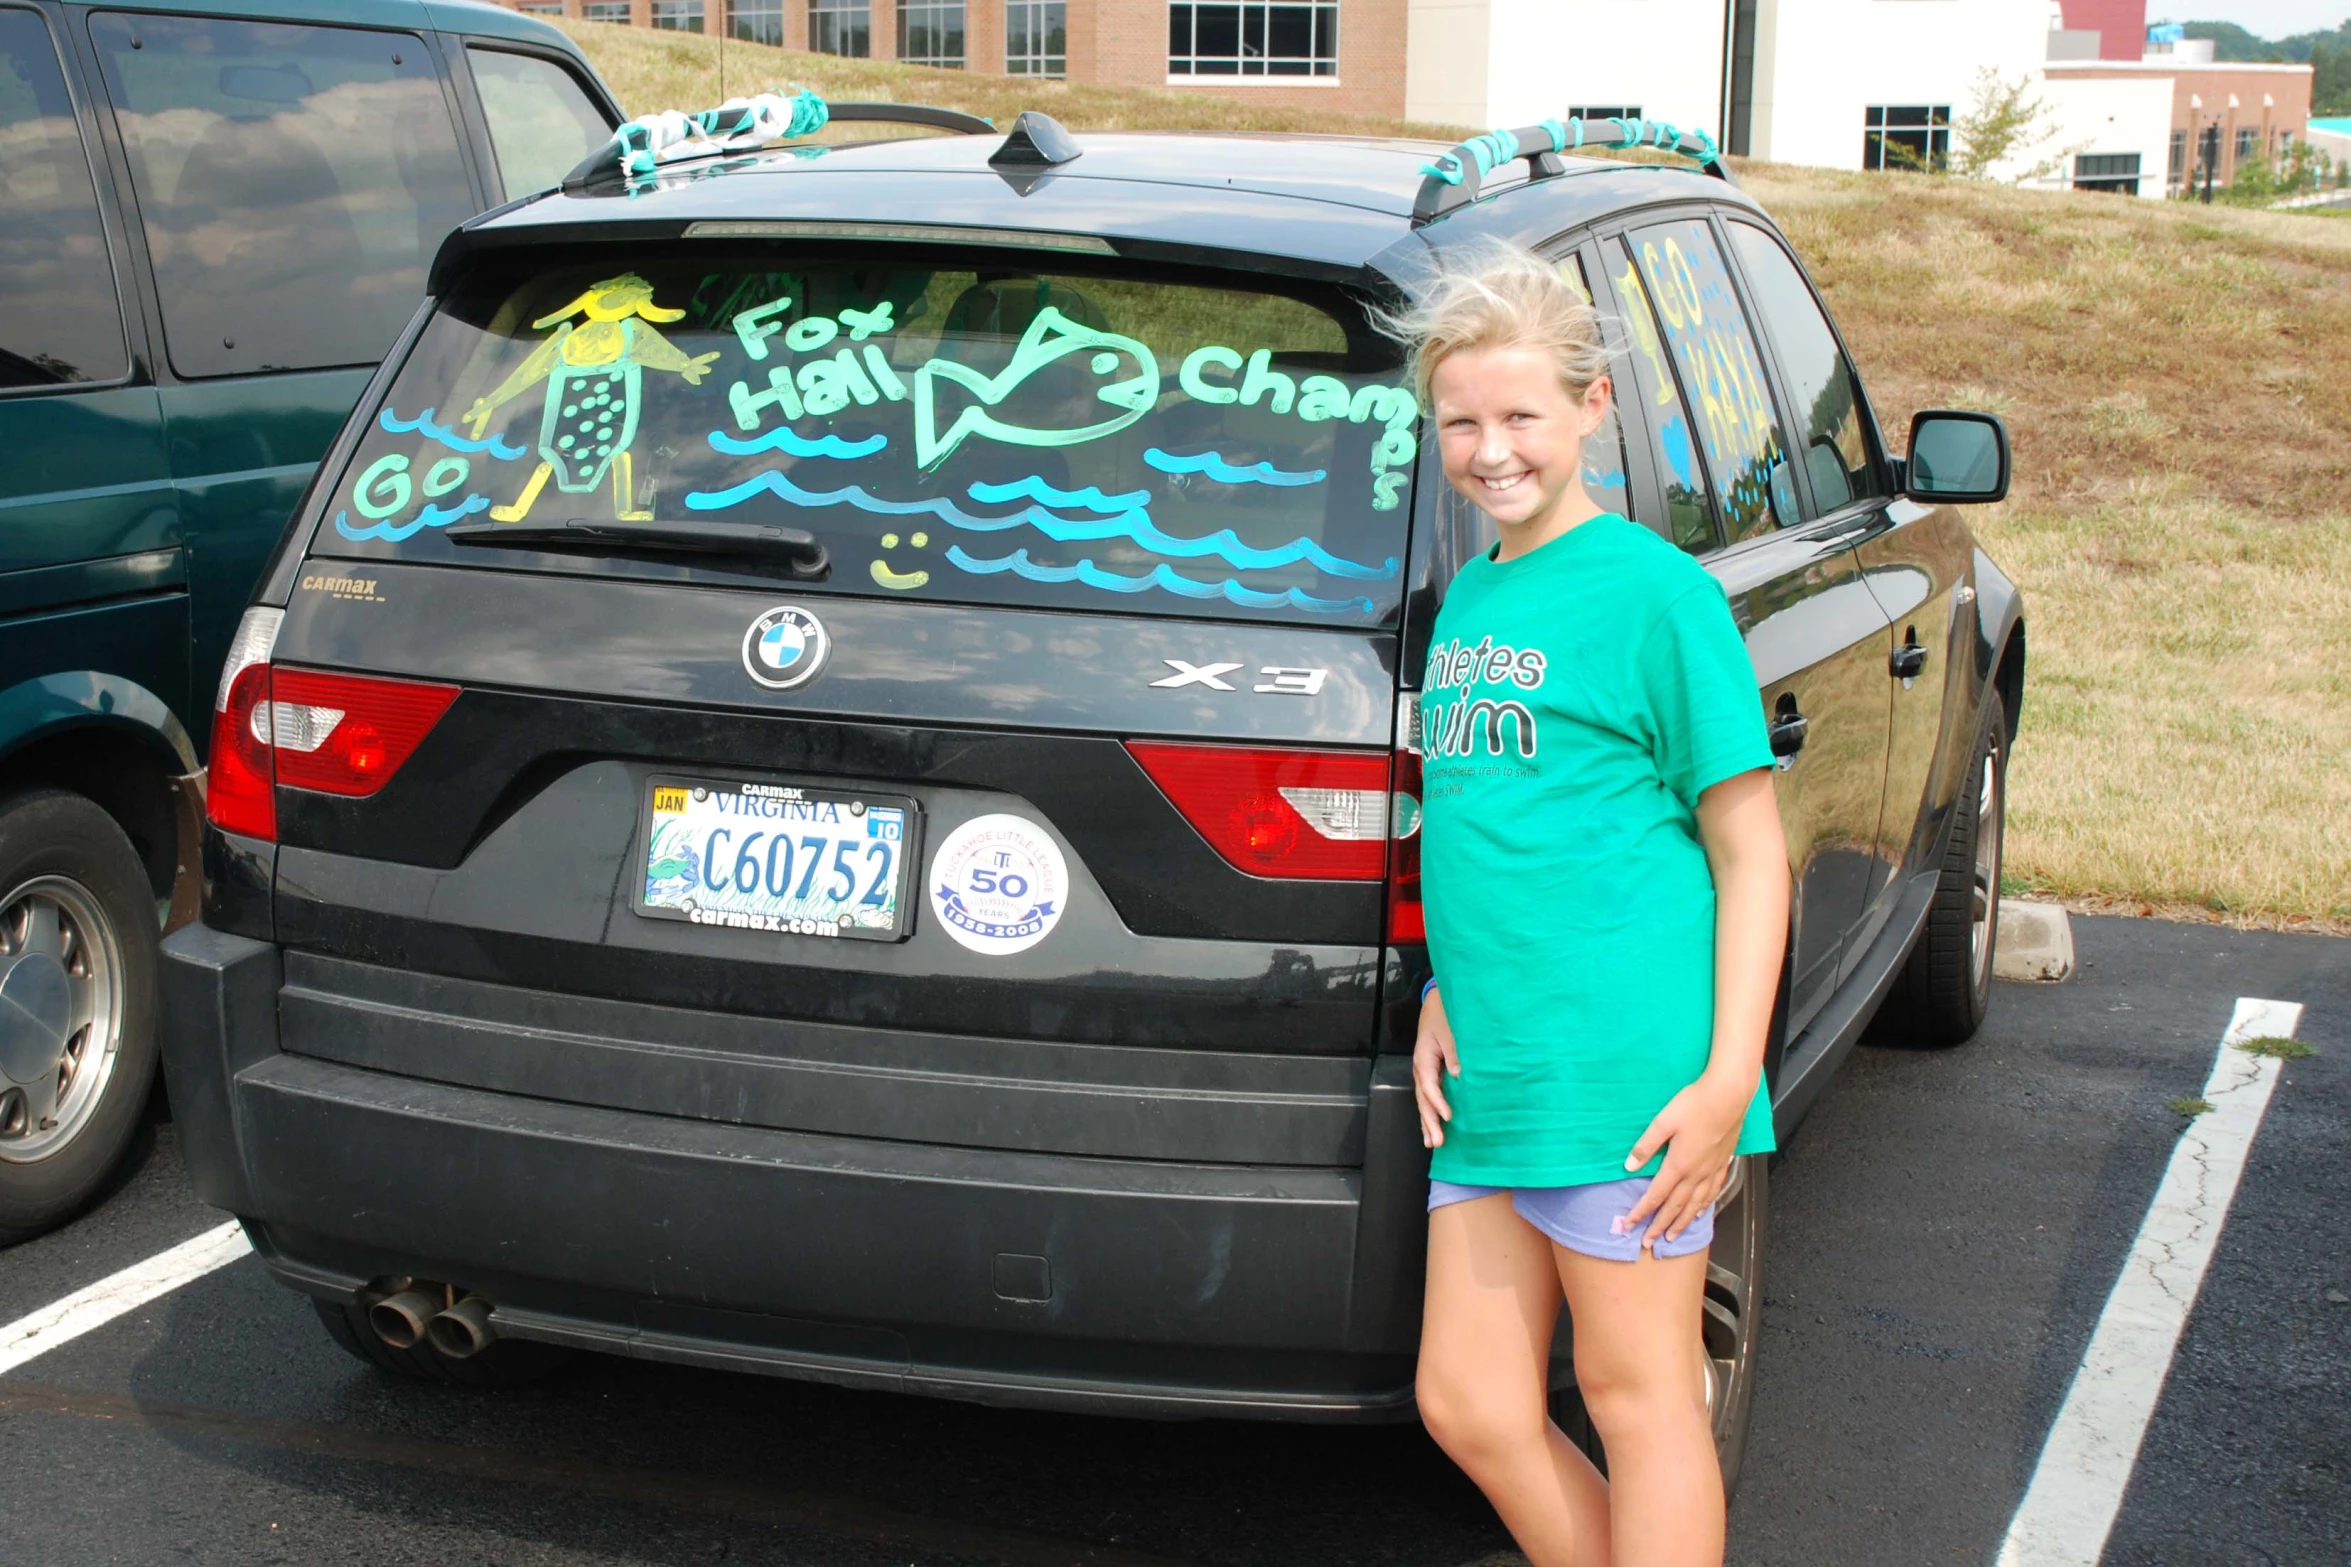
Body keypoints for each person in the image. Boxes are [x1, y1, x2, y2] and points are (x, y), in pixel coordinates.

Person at [1403, 245, 1789, 1567]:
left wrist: (1726, 1077)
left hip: (1623, 1070)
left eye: (1518, 415)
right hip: (1498, 1069)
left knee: (1636, 1394)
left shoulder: (1655, 595)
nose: (1488, 448)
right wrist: (1444, 993)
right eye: (1460, 420)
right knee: (1468, 1398)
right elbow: (1495, 820)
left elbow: (1750, 854)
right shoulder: (1473, 594)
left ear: (1588, 409)